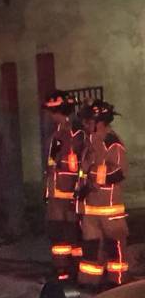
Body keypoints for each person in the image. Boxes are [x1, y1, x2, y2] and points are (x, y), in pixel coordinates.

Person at [76, 99, 128, 290]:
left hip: (109, 207)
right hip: (91, 207)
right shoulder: (89, 142)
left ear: (100, 121)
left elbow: (120, 172)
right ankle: (89, 282)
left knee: (114, 246)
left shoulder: (112, 143)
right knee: (90, 246)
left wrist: (95, 176)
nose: (85, 125)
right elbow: (83, 171)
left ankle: (118, 282)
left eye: (89, 121)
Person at [41, 91, 85, 281]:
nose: (49, 116)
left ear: (57, 112)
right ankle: (73, 268)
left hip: (61, 193)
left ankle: (63, 270)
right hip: (68, 192)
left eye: (51, 112)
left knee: (60, 233)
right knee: (72, 232)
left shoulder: (64, 134)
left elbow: (55, 163)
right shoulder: (76, 132)